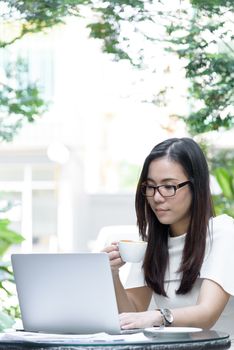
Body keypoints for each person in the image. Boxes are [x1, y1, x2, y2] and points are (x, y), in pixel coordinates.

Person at [103, 137, 234, 338]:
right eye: (150, 186)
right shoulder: (151, 244)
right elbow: (133, 316)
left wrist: (157, 316)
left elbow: (207, 314)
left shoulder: (223, 231)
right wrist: (112, 275)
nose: (156, 197)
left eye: (169, 186)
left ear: (195, 186)